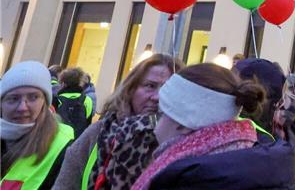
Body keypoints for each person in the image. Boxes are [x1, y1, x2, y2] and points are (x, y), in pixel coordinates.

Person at [130, 62, 295, 190]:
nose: (155, 126)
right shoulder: (248, 155)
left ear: (182, 122)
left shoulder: (184, 180)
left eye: (162, 114)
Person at [52, 53, 179, 190]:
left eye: (168, 89)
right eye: (150, 86)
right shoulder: (99, 132)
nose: (157, 97)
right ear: (131, 88)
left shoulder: (181, 142)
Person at [1, 61, 75, 190]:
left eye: (33, 97)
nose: (22, 107)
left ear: (45, 103)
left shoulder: (65, 151)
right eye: (13, 98)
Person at [53, 68, 94, 137]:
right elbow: (87, 124)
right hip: (78, 142)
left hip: (60, 140)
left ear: (63, 83)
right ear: (79, 82)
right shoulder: (87, 100)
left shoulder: (56, 100)